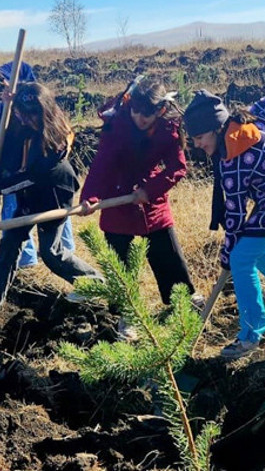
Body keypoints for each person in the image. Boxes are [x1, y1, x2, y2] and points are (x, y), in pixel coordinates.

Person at [184, 87, 265, 359]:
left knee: (241, 258)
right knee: (250, 247)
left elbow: (234, 218)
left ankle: (254, 334)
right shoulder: (253, 115)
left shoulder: (232, 161)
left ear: (216, 129)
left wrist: (227, 256)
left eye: (199, 137)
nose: (197, 144)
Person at [0, 83, 101, 314]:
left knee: (51, 252)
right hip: (29, 194)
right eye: (21, 114)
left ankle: (93, 283)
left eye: (31, 115)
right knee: (10, 244)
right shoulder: (19, 126)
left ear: (45, 111)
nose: (26, 120)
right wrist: (6, 104)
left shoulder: (57, 137)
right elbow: (3, 153)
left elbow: (32, 175)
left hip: (54, 195)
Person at [80, 77, 204, 337]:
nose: (140, 118)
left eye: (147, 114)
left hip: (150, 200)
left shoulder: (168, 128)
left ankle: (182, 300)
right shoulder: (117, 124)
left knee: (167, 253)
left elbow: (176, 168)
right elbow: (102, 165)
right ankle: (128, 315)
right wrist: (91, 197)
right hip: (117, 197)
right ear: (129, 105)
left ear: (160, 110)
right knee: (121, 261)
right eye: (136, 111)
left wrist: (149, 190)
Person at [0, 60, 75, 268]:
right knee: (27, 212)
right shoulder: (2, 103)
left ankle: (35, 257)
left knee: (42, 212)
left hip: (31, 169)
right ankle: (27, 258)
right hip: (24, 167)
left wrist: (22, 92)